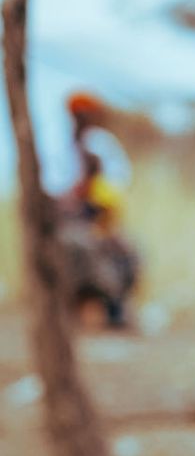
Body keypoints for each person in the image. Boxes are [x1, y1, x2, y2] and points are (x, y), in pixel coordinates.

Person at [58, 93, 139, 328]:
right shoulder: (61, 146)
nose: (81, 119)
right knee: (80, 248)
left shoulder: (100, 145)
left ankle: (115, 309)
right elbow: (57, 189)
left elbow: (114, 188)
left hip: (99, 216)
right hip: (70, 221)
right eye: (77, 115)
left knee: (124, 251)